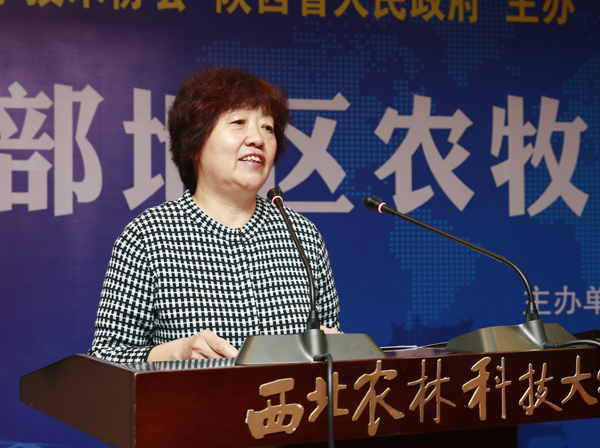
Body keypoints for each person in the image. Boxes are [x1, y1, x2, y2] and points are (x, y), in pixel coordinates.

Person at [88, 66, 341, 363]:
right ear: (194, 144)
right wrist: (176, 352)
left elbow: (332, 351)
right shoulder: (148, 237)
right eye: (238, 122)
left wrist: (338, 348)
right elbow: (106, 357)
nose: (257, 139)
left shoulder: (302, 235)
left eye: (268, 128)